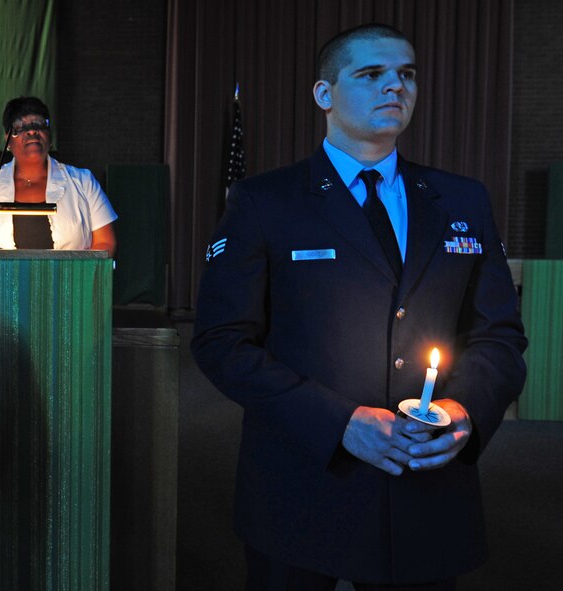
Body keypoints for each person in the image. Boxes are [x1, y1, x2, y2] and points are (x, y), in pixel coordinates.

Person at [191, 24, 527, 590]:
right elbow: (222, 342)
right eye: (371, 74)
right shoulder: (265, 202)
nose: (394, 85)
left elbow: (499, 335)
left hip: (425, 479)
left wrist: (463, 410)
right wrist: (339, 423)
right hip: (304, 479)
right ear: (325, 95)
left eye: (406, 74)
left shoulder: (462, 199)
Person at [0, 96, 118, 255]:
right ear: (8, 140)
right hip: (0, 283)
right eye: (21, 127)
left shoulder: (83, 181)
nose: (32, 131)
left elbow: (105, 242)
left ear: (49, 134)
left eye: (39, 125)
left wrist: (74, 277)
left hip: (69, 282)